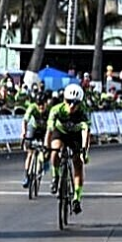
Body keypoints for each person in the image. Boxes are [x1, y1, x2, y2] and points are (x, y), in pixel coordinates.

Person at [44, 84, 90, 214]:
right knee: (55, 151)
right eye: (69, 102)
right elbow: (50, 130)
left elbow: (86, 132)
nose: (71, 106)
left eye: (75, 103)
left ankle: (77, 198)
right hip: (61, 133)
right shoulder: (56, 110)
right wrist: (46, 147)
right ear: (64, 100)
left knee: (78, 164)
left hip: (76, 135)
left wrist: (84, 151)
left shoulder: (83, 112)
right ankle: (55, 176)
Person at [20, 92, 49, 187]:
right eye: (38, 104)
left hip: (45, 130)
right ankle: (27, 176)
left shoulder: (50, 110)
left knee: (47, 148)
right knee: (30, 152)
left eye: (42, 104)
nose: (40, 107)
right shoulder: (32, 107)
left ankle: (44, 163)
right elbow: (25, 120)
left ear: (46, 103)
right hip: (33, 128)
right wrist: (23, 132)